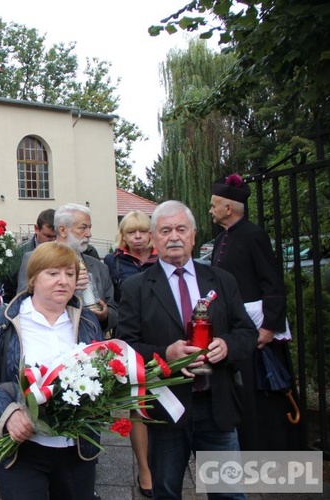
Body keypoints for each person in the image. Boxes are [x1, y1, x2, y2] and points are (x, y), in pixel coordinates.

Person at [116, 200, 257, 500]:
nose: (174, 237)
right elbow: (125, 348)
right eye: (165, 230)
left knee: (228, 494)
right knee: (166, 492)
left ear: (194, 234)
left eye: (181, 229)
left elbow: (247, 332)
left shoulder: (221, 280)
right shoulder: (136, 288)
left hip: (216, 404)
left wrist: (228, 345)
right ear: (154, 239)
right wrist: (166, 353)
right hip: (167, 408)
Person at [0, 242, 103, 500]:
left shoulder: (87, 321)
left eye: (69, 274)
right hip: (22, 451)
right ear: (33, 278)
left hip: (76, 450)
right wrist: (8, 413)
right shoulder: (2, 321)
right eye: (53, 273)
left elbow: (100, 375)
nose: (63, 281)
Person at [209, 174, 297, 451]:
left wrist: (269, 327)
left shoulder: (254, 234)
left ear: (229, 208)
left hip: (258, 332)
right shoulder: (223, 237)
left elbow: (271, 282)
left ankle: (270, 454)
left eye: (214, 205)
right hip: (234, 329)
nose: (210, 210)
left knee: (261, 397)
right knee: (240, 394)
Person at [102, 210, 158, 497]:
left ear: (151, 233)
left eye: (142, 231)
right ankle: (145, 468)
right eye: (130, 232)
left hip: (163, 335)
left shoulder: (163, 259)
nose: (137, 237)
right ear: (122, 236)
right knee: (139, 405)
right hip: (132, 337)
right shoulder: (113, 261)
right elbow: (111, 300)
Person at [18, 204, 118, 333]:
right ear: (63, 230)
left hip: (89, 343)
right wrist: (68, 287)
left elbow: (114, 310)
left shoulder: (100, 267)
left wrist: (105, 315)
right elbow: (22, 300)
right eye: (83, 228)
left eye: (89, 228)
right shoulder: (34, 259)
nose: (89, 234)